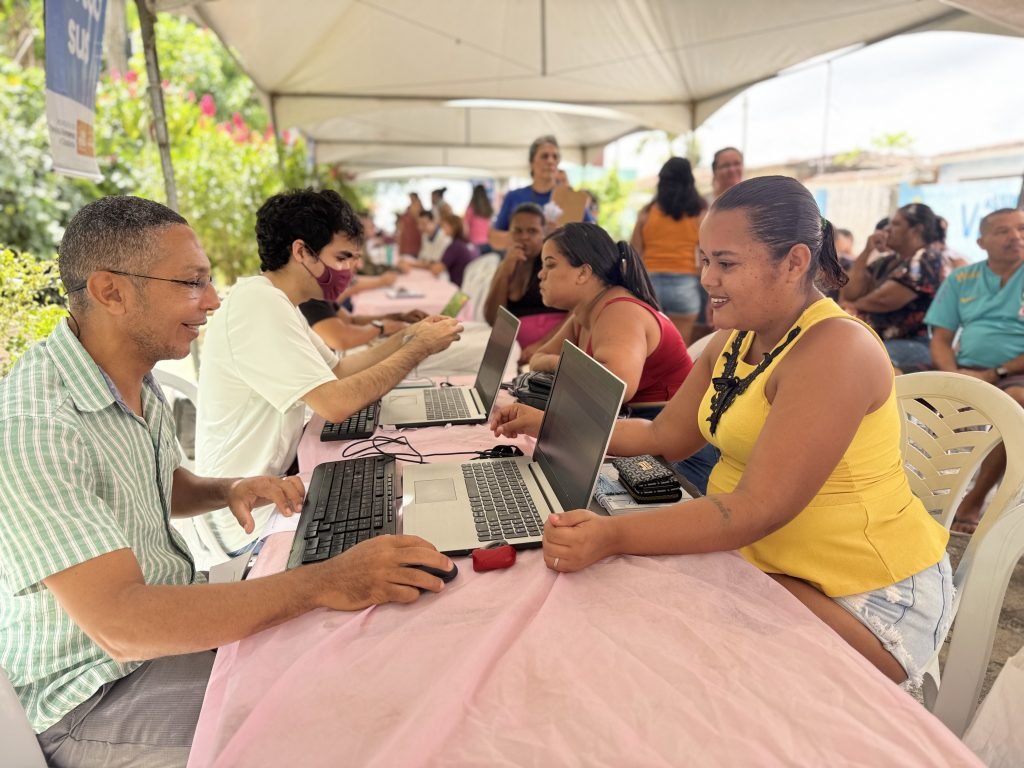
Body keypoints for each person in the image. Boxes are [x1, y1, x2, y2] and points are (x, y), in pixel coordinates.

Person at [0, 195, 455, 767]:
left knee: (363, 657)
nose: (213, 300)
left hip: (161, 637)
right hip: (92, 693)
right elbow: (123, 625)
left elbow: (152, 485)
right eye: (191, 283)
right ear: (110, 292)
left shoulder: (127, 374)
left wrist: (227, 488)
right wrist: (326, 581)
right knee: (332, 728)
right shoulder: (35, 424)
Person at [490, 176, 952, 688]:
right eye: (705, 260)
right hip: (759, 560)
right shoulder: (733, 339)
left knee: (669, 660)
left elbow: (755, 509)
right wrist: (551, 423)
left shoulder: (837, 350)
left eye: (726, 264)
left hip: (861, 592)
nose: (707, 278)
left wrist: (612, 534)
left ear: (795, 262)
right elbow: (662, 437)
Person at [196, 189, 462, 559]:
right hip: (248, 522)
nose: (350, 270)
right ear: (302, 252)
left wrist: (409, 336)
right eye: (342, 257)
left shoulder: (277, 300)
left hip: (274, 491)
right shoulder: (259, 304)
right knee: (414, 533)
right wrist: (419, 349)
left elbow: (338, 369)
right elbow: (335, 403)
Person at [925, 208, 1024, 534]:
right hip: (966, 368)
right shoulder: (961, 278)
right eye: (1003, 231)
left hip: (1014, 372)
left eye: (1022, 229)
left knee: (1014, 401)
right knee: (894, 380)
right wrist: (954, 377)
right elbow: (941, 339)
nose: (1015, 237)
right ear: (981, 242)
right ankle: (916, 491)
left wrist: (995, 373)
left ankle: (974, 501)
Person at [839, 203, 945, 373]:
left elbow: (885, 299)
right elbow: (850, 292)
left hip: (912, 344)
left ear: (916, 230)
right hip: (878, 340)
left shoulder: (926, 257)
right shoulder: (887, 260)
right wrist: (867, 251)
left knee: (855, 361)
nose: (887, 229)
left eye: (896, 224)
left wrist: (852, 307)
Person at [630, 157, 708, 343]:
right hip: (685, 286)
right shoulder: (699, 212)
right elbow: (706, 252)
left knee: (651, 347)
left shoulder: (647, 212)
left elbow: (634, 251)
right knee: (679, 348)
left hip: (650, 286)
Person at [483, 202, 567, 364]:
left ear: (543, 234)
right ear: (510, 233)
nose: (524, 237)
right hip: (512, 351)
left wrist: (543, 345)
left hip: (548, 351)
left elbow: (574, 314)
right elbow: (492, 318)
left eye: (532, 231)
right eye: (518, 231)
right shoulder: (507, 264)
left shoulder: (552, 263)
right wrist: (504, 273)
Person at [488, 135, 594, 251]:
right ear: (532, 162)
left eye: (555, 157)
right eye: (544, 156)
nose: (550, 161)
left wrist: (563, 235)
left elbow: (593, 237)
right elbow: (495, 239)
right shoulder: (514, 197)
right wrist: (523, 235)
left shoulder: (571, 198)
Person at [405, 212, 478, 287]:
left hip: (458, 288)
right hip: (467, 286)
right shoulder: (465, 244)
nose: (442, 229)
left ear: (452, 227)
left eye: (444, 226)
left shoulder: (455, 246)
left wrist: (413, 265)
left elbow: (436, 269)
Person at [463, 183, 494, 254]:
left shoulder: (470, 209)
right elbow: (490, 226)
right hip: (487, 243)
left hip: (474, 244)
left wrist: (465, 240)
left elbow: (465, 227)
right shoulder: (488, 208)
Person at [396, 192, 423, 258]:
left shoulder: (419, 206)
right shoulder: (408, 209)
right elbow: (401, 224)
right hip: (406, 239)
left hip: (414, 239)